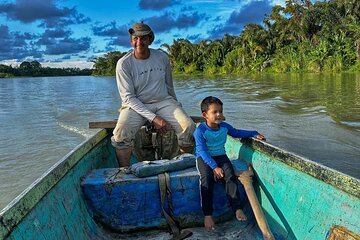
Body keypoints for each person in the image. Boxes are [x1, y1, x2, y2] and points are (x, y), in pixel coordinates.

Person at [111, 22, 195, 167]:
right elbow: (128, 98)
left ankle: (183, 165)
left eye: (143, 38)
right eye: (135, 38)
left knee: (187, 126)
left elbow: (169, 86)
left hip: (163, 102)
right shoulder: (124, 64)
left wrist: (176, 107)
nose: (139, 42)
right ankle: (124, 172)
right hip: (135, 105)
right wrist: (153, 118)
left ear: (150, 39)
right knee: (121, 134)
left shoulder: (161, 57)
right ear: (131, 40)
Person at [194, 96, 266, 231]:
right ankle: (208, 215)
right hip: (204, 158)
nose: (219, 115)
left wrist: (254, 133)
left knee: (230, 176)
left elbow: (237, 132)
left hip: (221, 156)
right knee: (207, 180)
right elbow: (202, 151)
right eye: (215, 112)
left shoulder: (225, 127)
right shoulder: (200, 131)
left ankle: (237, 208)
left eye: (220, 111)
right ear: (205, 115)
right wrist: (214, 167)